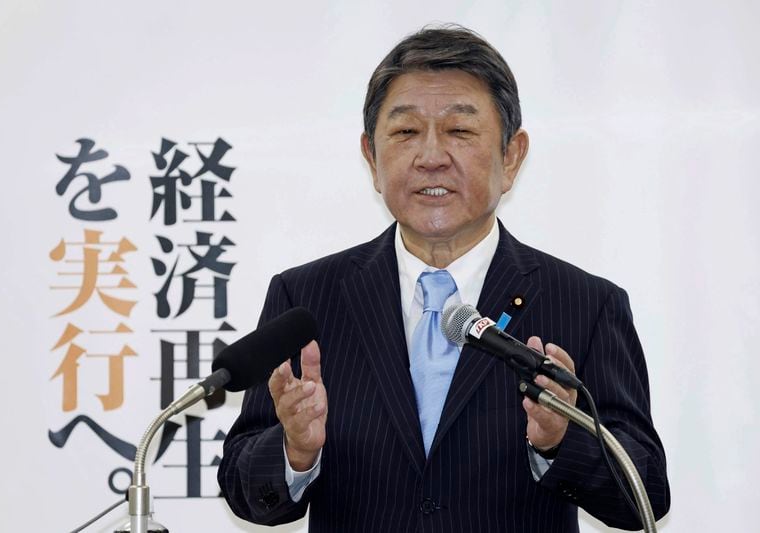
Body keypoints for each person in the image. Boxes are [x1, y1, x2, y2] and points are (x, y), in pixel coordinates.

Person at [218, 25, 670, 532]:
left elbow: (645, 492)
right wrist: (294, 450)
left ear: (511, 156)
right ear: (371, 156)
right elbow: (243, 486)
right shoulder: (305, 299)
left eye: (460, 131)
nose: (431, 156)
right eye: (406, 132)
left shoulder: (585, 303)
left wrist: (561, 440)